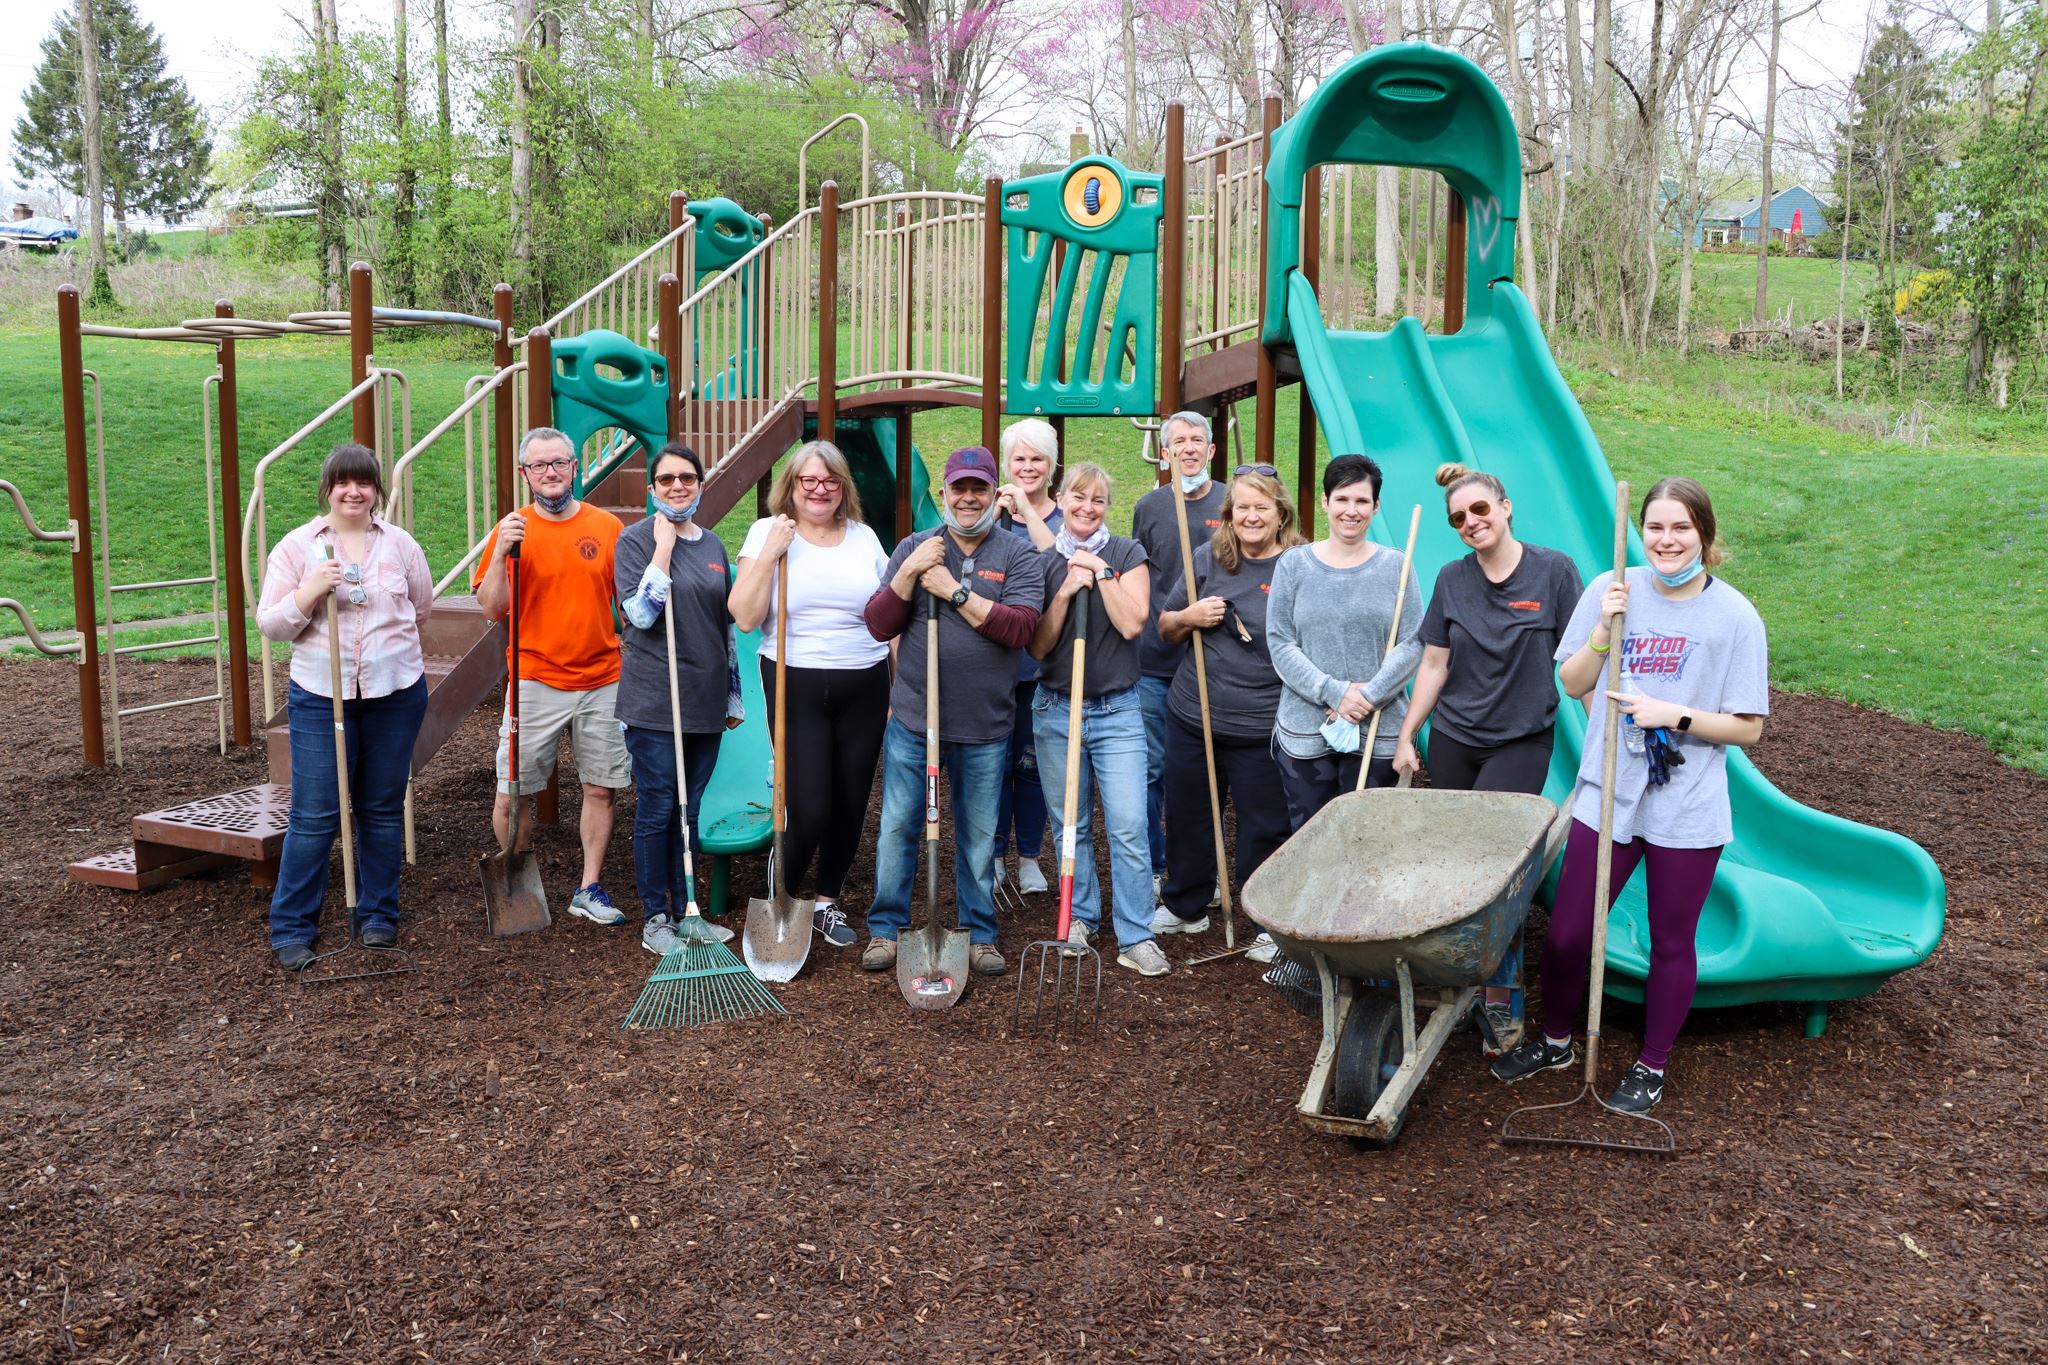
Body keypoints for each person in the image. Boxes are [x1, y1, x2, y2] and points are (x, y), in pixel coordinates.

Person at [1491, 477, 1768, 1114]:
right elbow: (1571, 681)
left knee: (1673, 940)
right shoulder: (1611, 589)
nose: (1666, 541)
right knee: (1565, 934)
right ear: (1640, 533)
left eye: (1681, 528)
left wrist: (1674, 714)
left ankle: (1651, 1066)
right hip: (1608, 792)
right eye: (1656, 528)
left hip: (1686, 804)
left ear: (1705, 534)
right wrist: (1601, 632)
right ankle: (1557, 1040)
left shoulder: (1734, 617)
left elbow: (1748, 727)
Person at [1392, 463, 1584, 1054]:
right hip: (1455, 736)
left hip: (1520, 739)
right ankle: (1454, 977)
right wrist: (1408, 735)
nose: (1470, 522)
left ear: (1504, 506)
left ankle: (1502, 998)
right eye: (1459, 518)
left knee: (1497, 869)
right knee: (1451, 861)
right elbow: (1434, 664)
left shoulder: (1553, 572)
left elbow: (1582, 660)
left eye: (1479, 510)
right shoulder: (1452, 578)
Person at [860, 447, 1046, 975]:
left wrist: (953, 591)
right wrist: (910, 575)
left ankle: (979, 932)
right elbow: (878, 624)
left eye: (979, 489)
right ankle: (886, 928)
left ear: (994, 494)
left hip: (985, 726)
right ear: (944, 493)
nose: (968, 499)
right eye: (959, 489)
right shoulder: (915, 547)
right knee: (898, 826)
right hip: (917, 720)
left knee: (978, 834)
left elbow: (1020, 628)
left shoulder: (1017, 554)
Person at [256, 443, 433, 969]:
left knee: (380, 809)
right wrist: (309, 592)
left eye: (364, 483)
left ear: (377, 490)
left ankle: (377, 915)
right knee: (314, 816)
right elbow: (271, 625)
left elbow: (420, 609)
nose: (353, 492)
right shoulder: (296, 548)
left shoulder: (400, 545)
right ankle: (291, 928)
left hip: (395, 692)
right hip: (319, 695)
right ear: (327, 489)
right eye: (342, 482)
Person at [729, 440, 890, 950]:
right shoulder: (769, 532)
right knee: (811, 803)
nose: (820, 490)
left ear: (843, 488)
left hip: (864, 679)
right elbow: (747, 616)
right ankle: (785, 894)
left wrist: (899, 684)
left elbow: (890, 612)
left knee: (850, 801)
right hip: (794, 679)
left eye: (830, 481)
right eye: (809, 481)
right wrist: (771, 553)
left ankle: (826, 900)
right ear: (792, 486)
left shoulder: (864, 538)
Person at [1265, 453, 1423, 961]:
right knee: (1311, 842)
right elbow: (1280, 641)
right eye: (1342, 499)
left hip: (1376, 729)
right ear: (1326, 502)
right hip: (1307, 729)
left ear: (1375, 507)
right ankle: (1309, 948)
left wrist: (1368, 696)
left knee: (1367, 846)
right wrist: (1337, 694)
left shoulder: (1397, 566)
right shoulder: (1294, 564)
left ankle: (1363, 950)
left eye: (1363, 500)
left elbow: (1414, 640)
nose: (1351, 510)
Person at [474, 427, 630, 926]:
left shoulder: (607, 528)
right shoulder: (511, 531)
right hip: (534, 680)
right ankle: (520, 878)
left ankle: (589, 887)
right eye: (539, 466)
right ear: (526, 474)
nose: (550, 472)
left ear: (575, 468)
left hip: (603, 679)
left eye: (559, 462)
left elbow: (628, 606)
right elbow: (493, 608)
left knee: (601, 787)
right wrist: (501, 553)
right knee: (510, 791)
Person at [1151, 465, 1303, 939]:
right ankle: (1186, 905)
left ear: (1281, 514)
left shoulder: (1300, 565)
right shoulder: (1208, 558)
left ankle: (1262, 921)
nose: (1251, 517)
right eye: (1243, 507)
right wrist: (1189, 617)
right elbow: (1165, 627)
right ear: (1229, 514)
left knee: (1265, 823)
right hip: (1195, 714)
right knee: (1189, 812)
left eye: (1262, 507)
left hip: (1263, 722)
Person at [1026, 463, 1164, 975]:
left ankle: (1137, 934)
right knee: (1070, 824)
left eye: (1099, 500)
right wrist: (1065, 589)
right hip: (1057, 708)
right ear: (1060, 500)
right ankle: (1080, 915)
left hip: (1118, 711)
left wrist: (1100, 572)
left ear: (1109, 506)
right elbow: (1038, 645)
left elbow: (1133, 623)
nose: (1087, 508)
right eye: (1078, 498)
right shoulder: (1039, 563)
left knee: (1128, 825)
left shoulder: (1128, 554)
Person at [612, 443, 745, 955]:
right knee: (659, 807)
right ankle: (657, 917)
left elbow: (725, 628)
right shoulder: (634, 541)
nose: (677, 487)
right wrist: (663, 550)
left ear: (700, 484)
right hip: (653, 701)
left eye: (686, 478)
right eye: (666, 480)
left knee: (689, 813)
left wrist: (732, 698)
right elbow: (641, 616)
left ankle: (689, 910)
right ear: (652, 489)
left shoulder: (713, 545)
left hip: (704, 701)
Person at [1130, 411, 1229, 898]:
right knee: (1151, 769)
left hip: (1212, 661)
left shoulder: (1231, 504)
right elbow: (1142, 577)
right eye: (1178, 442)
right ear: (1165, 453)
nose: (1187, 448)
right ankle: (1153, 865)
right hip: (1154, 660)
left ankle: (1200, 869)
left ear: (1211, 451)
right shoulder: (1149, 507)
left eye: (1197, 441)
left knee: (1201, 773)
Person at [989, 419, 1063, 898]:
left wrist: (1025, 515)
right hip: (991, 665)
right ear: (1006, 465)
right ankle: (993, 854)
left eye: (1037, 458)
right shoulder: (989, 515)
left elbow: (1061, 560)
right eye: (1019, 458)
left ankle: (1030, 857)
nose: (1028, 467)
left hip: (1043, 667)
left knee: (1034, 764)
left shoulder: (1063, 517)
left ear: (1051, 466)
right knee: (992, 762)